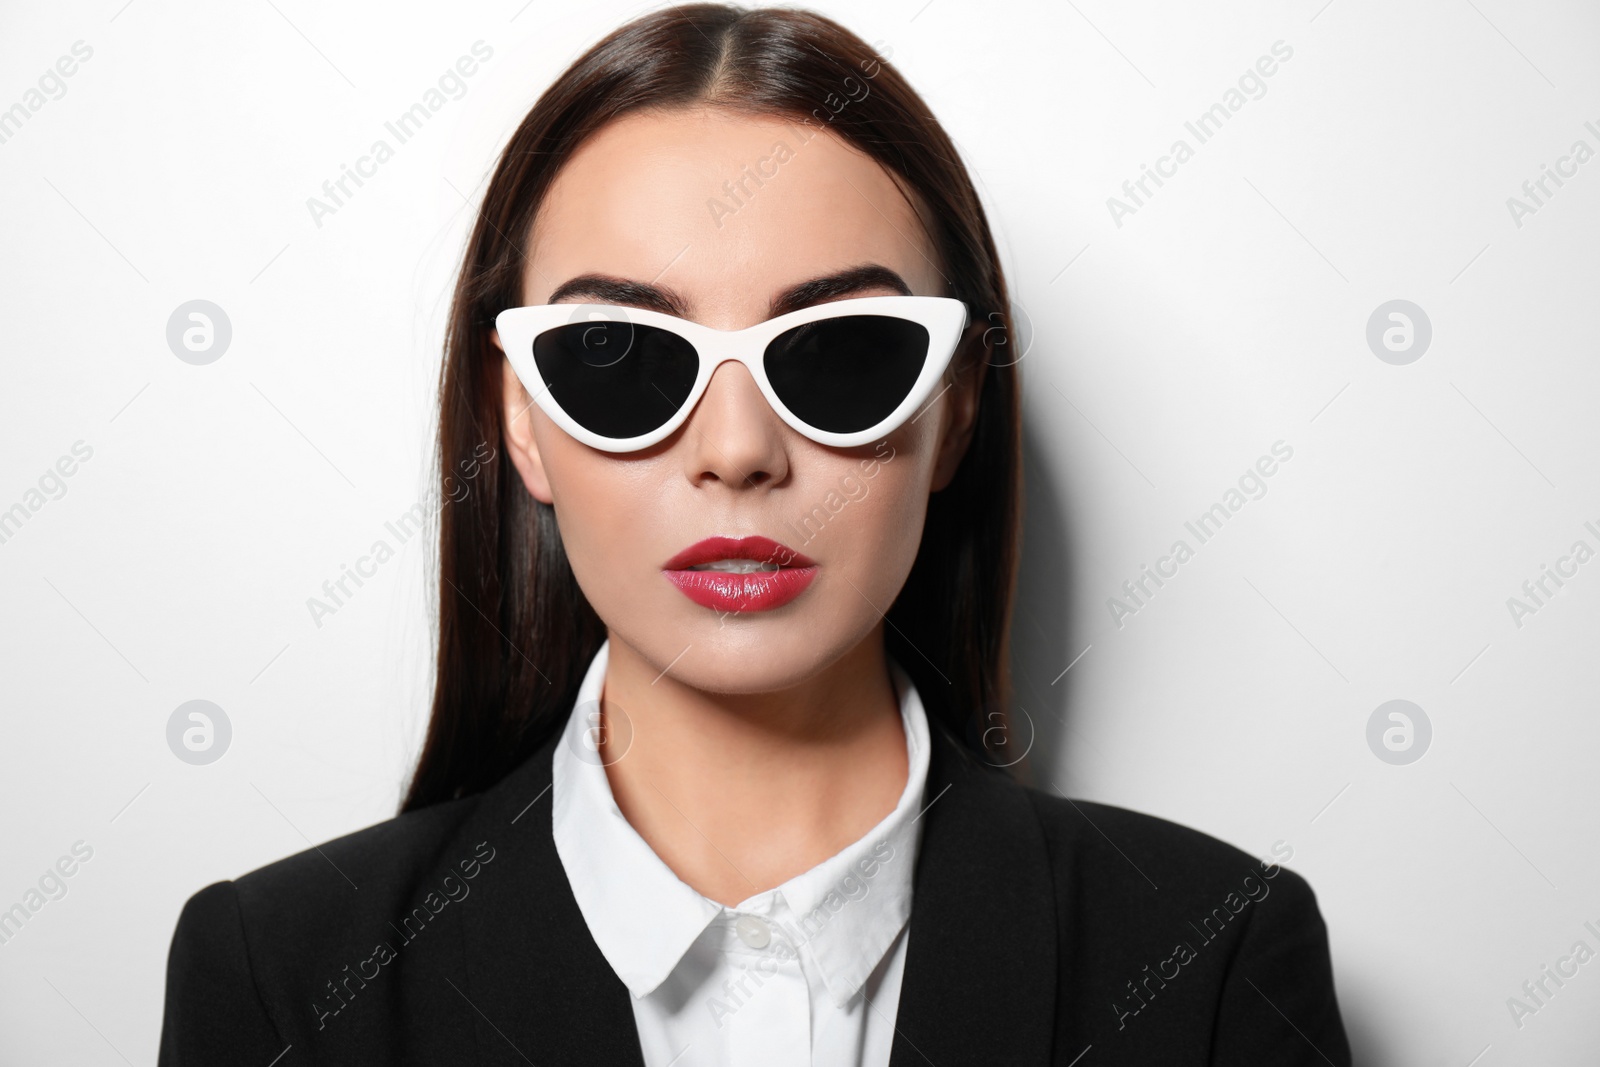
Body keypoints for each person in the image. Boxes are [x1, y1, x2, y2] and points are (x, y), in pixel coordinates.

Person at [158, 5, 1352, 1064]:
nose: (736, 449)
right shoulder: (286, 983)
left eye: (840, 354)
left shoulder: (1210, 958)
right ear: (517, 419)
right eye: (617, 359)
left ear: (957, 410)